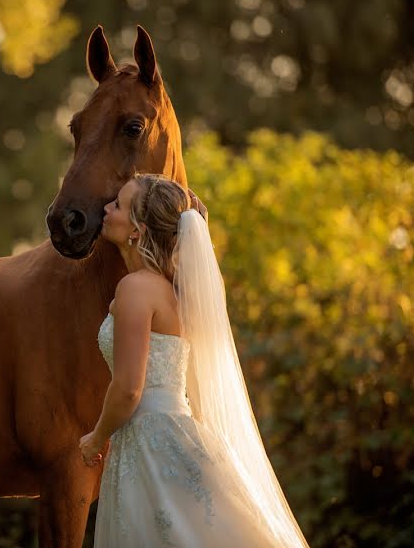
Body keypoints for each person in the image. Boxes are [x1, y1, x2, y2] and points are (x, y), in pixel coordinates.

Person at [79, 174, 308, 547]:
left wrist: (95, 439)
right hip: (174, 435)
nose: (106, 209)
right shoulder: (177, 294)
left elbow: (128, 389)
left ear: (137, 229)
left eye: (118, 205)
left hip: (151, 443)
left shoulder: (136, 288)